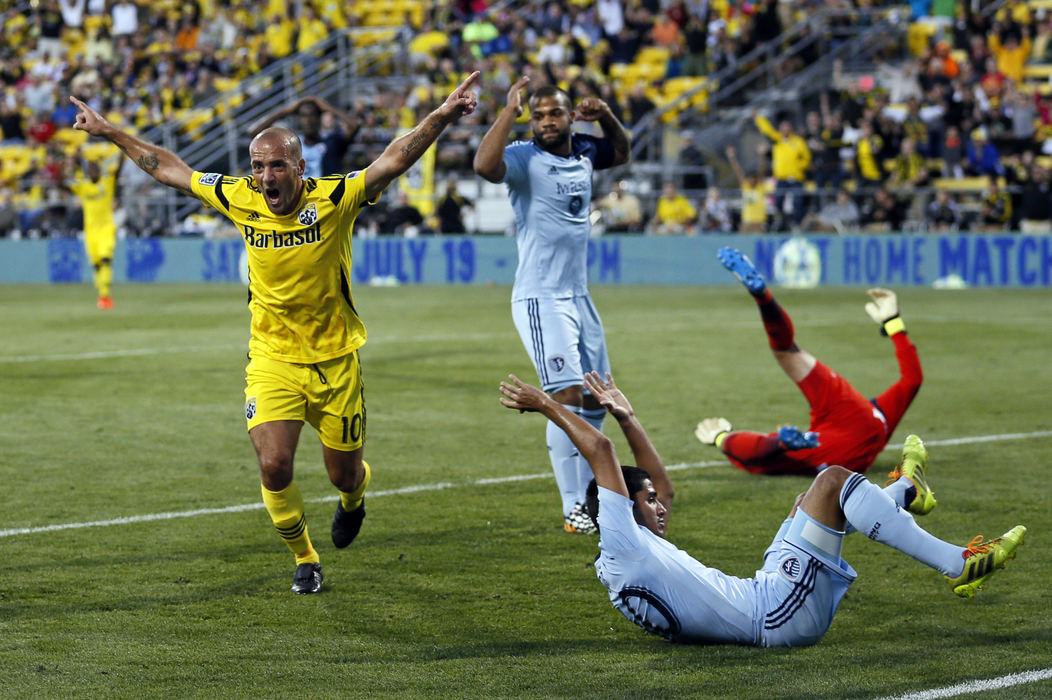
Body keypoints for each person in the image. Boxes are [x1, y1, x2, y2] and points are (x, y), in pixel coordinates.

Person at [70, 72, 481, 594]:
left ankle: (354, 499)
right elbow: (172, 170)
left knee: (344, 476)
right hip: (272, 358)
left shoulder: (335, 199)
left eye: (277, 165)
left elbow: (394, 159)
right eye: (258, 166)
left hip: (336, 361)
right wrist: (112, 133)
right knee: (273, 462)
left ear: (300, 169)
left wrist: (442, 116)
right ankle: (305, 557)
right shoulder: (238, 197)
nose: (266, 175)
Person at [499, 371, 1026, 645]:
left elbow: (661, 484)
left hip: (766, 595)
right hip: (774, 616)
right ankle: (959, 563)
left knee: (811, 503)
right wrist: (545, 402)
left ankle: (907, 492)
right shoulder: (620, 538)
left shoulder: (625, 555)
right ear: (622, 507)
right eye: (648, 501)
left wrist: (630, 417)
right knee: (833, 481)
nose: (660, 505)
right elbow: (601, 451)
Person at [474, 77, 630, 534]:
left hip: (579, 296)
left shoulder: (584, 148)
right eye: (538, 114)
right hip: (541, 297)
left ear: (569, 115)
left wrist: (606, 117)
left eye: (554, 113)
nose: (546, 121)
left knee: (598, 399)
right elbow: (484, 165)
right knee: (566, 396)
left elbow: (620, 152)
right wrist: (509, 111)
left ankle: (594, 495)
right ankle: (573, 508)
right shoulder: (524, 156)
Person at [695, 247, 923, 477]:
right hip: (844, 446)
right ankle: (763, 297)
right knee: (786, 356)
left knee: (764, 458)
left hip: (841, 432)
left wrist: (893, 325)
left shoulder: (879, 416)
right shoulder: (880, 417)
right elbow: (913, 380)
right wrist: (724, 438)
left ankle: (763, 297)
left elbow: (913, 381)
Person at [247, 95, 359, 178]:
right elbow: (254, 132)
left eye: (313, 115)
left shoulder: (332, 141)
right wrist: (286, 111)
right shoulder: (291, 143)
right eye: (304, 116)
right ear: (299, 119)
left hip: (326, 200)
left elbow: (355, 125)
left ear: (319, 117)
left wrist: (327, 108)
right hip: (297, 201)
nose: (308, 120)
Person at [62, 155, 122, 309]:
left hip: (107, 228)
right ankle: (102, 294)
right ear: (88, 173)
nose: (93, 172)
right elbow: (61, 185)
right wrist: (61, 168)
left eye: (95, 170)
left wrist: (122, 152)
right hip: (90, 231)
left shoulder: (107, 183)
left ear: (100, 171)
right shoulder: (83, 187)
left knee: (105, 260)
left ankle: (105, 295)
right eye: (91, 170)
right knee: (96, 265)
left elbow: (118, 172)